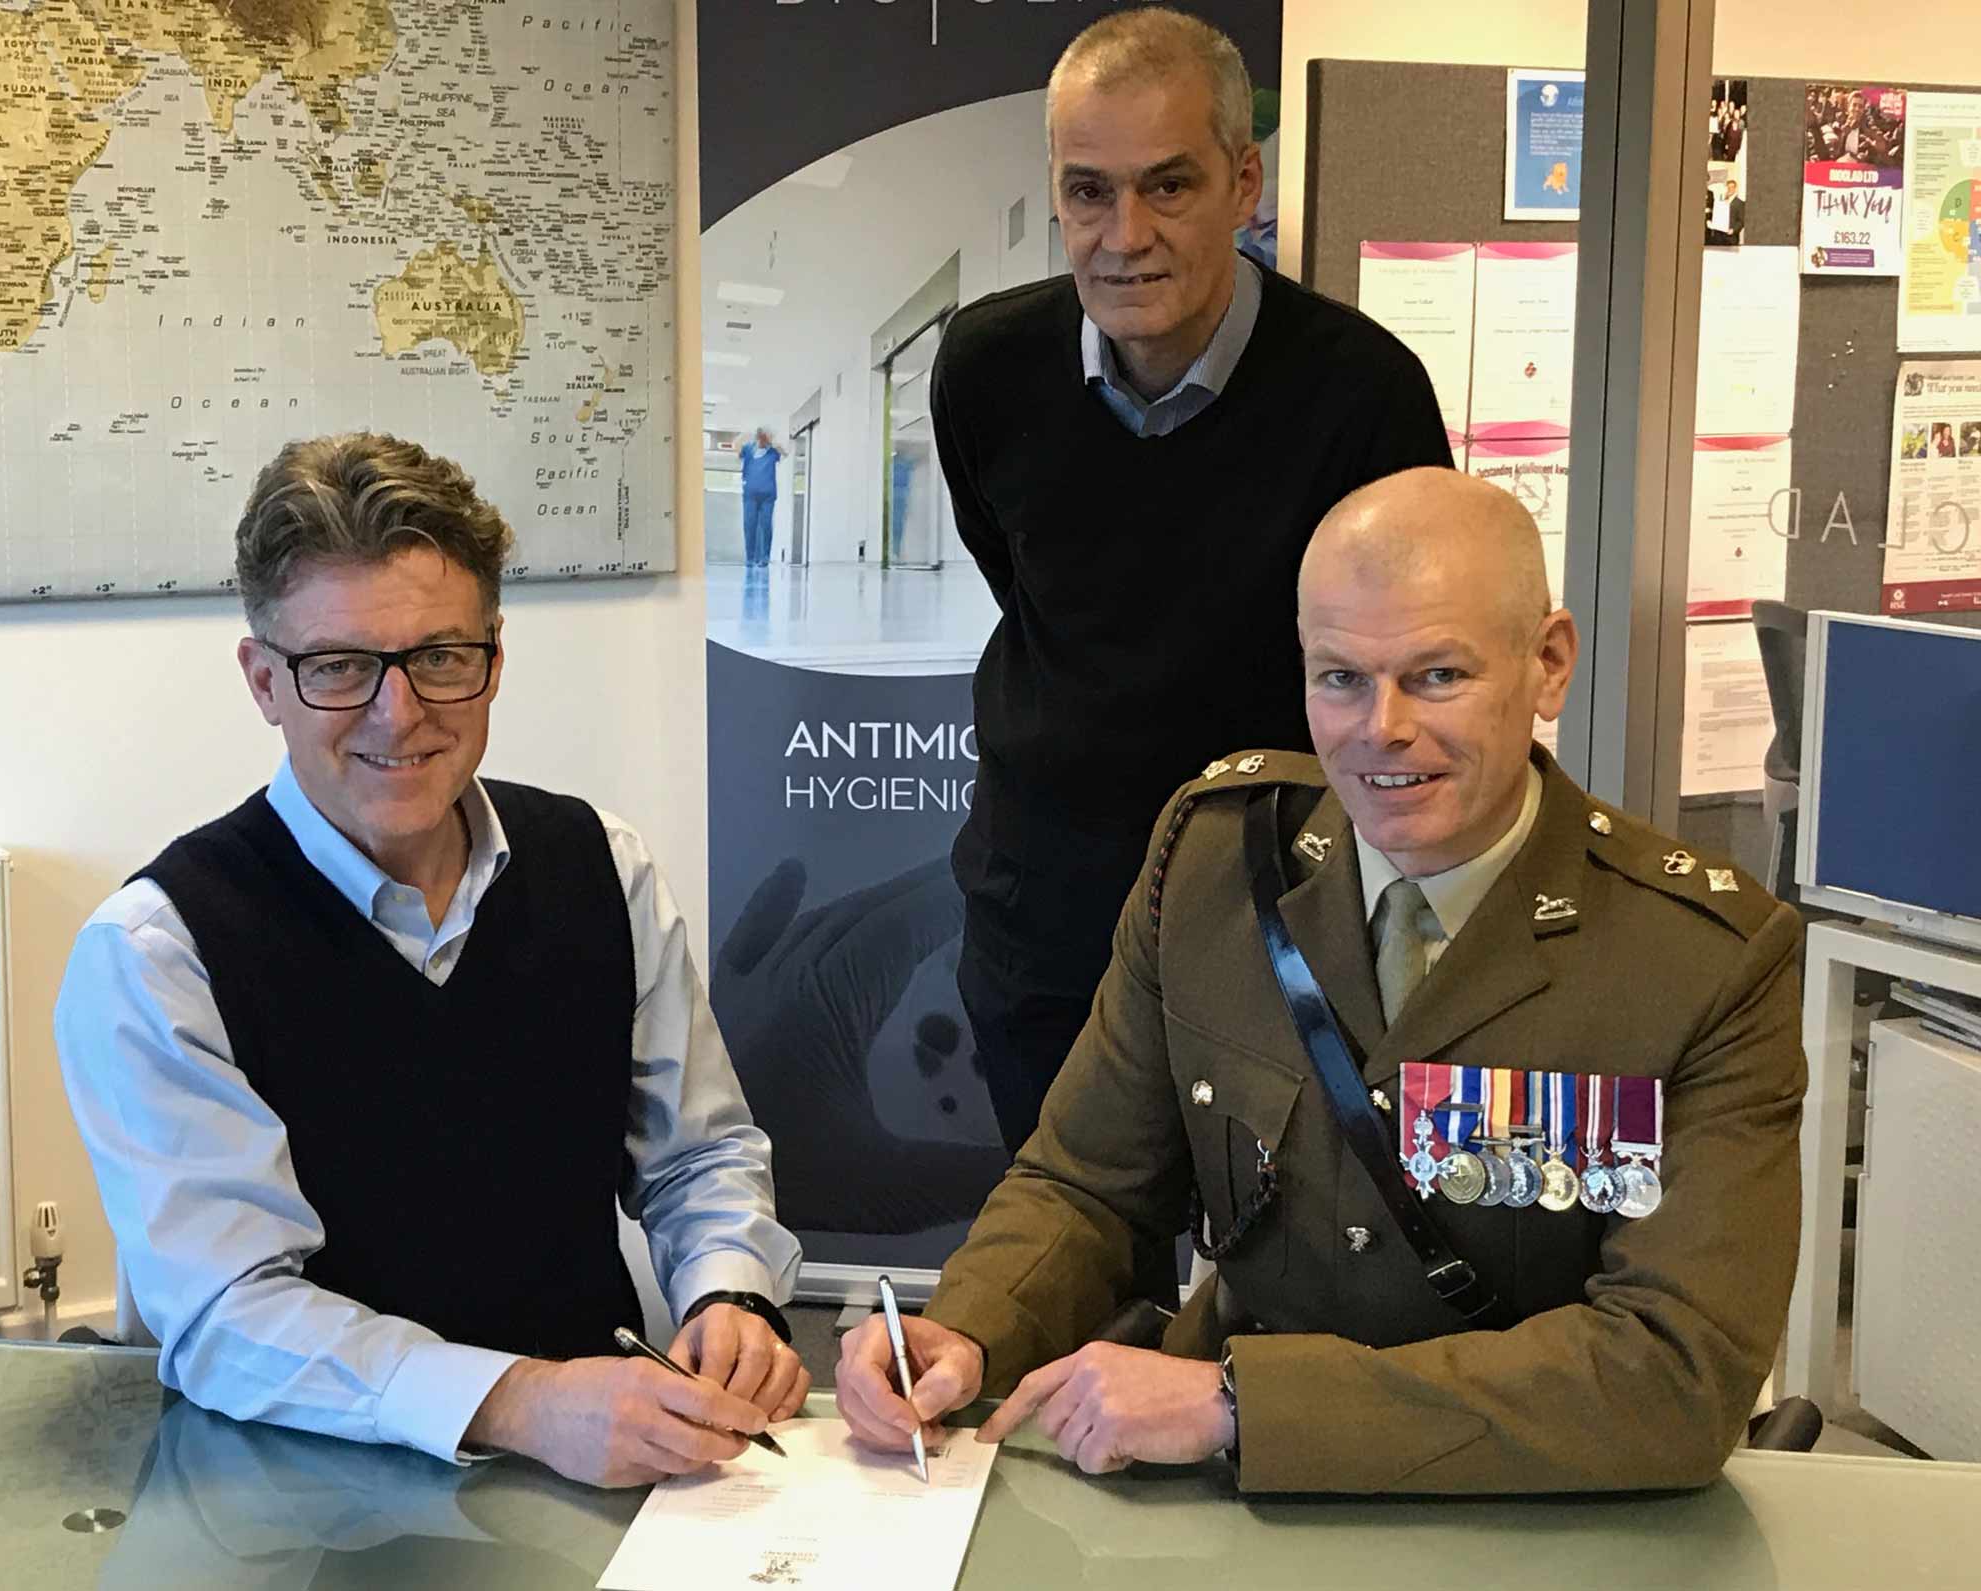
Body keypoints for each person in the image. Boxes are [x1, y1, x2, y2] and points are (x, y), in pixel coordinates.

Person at [836, 467, 1806, 1493]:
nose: (1378, 727)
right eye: (1339, 677)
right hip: (1226, 1511)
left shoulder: (1694, 958)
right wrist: (967, 1326)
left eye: (1436, 676)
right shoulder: (1214, 865)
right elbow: (1086, 1180)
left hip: (1534, 1507)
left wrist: (1240, 1404)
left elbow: (1671, 1371)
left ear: (1548, 664)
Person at [56, 433, 808, 1488]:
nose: (398, 714)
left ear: (494, 655)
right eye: (339, 667)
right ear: (263, 679)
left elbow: (697, 1157)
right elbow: (230, 1311)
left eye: (440, 657)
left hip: (600, 1467)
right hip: (298, 1499)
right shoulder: (156, 953)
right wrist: (522, 1400)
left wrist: (730, 1294)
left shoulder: (605, 867)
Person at [937, 7, 1451, 1163]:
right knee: (1068, 1275)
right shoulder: (983, 368)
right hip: (1044, 918)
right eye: (1087, 192)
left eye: (1168, 186)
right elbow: (1020, 580)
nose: (1124, 235)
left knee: (1281, 1299)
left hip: (1281, 927)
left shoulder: (1363, 395)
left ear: (1242, 179)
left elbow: (1398, 671)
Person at [739, 428, 784, 566]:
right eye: (761, 437)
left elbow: (786, 452)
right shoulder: (747, 449)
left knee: (766, 525)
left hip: (767, 496)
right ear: (757, 437)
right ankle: (750, 558)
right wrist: (745, 435)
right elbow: (736, 448)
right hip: (750, 495)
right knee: (749, 525)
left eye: (766, 437)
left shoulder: (773, 452)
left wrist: (774, 442)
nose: (763, 440)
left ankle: (765, 557)